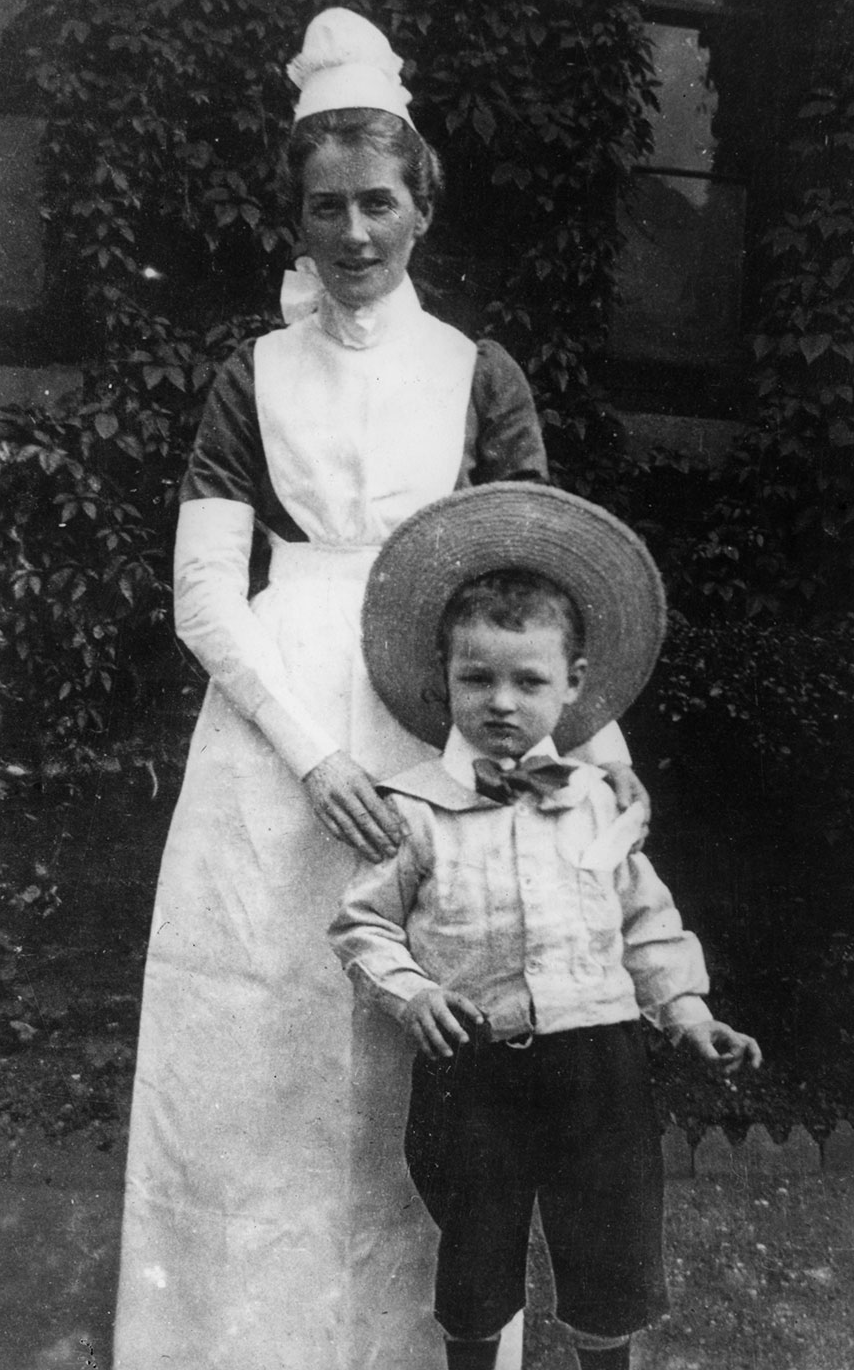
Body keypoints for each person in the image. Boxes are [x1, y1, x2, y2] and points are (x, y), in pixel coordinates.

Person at [113, 12, 645, 1370]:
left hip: (442, 724)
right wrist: (308, 757)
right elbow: (204, 601)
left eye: (379, 202)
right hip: (279, 745)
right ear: (298, 212)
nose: (353, 233)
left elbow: (546, 588)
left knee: (448, 1055)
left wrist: (603, 746)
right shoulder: (256, 375)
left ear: (421, 207)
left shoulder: (477, 373)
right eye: (325, 206)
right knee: (268, 1041)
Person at [330, 483, 763, 1370]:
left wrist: (687, 1012)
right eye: (476, 678)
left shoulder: (598, 800)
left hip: (598, 1064)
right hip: (471, 1068)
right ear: (442, 680)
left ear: (572, 687)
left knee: (610, 1251)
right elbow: (362, 926)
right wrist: (411, 995)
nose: (500, 702)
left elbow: (644, 919)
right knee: (476, 1254)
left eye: (528, 680)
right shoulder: (414, 809)